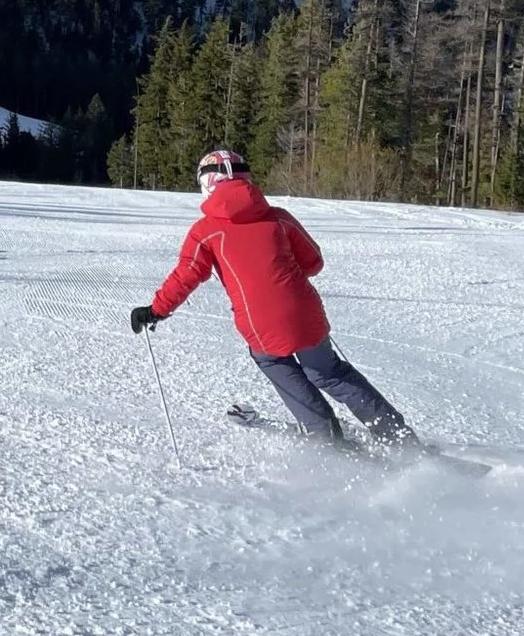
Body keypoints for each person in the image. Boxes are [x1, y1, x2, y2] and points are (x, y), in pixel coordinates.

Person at [129, 148, 411, 445]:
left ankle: (327, 439)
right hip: (305, 314)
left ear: (206, 184)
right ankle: (398, 437)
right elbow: (314, 262)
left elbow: (187, 275)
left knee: (274, 362)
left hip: (259, 323)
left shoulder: (205, 231)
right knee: (330, 373)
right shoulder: (279, 218)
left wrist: (156, 310)